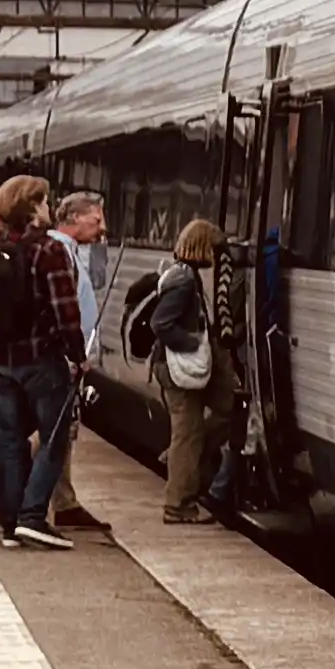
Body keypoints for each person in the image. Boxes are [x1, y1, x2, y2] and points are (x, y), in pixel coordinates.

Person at [0, 179, 83, 552]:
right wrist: (78, 357)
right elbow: (66, 311)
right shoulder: (48, 250)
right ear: (33, 207)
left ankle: (11, 523)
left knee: (11, 443)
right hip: (41, 361)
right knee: (53, 438)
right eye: (46, 201)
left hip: (1, 362)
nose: (50, 207)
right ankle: (33, 517)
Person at [136, 215, 221, 522]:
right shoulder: (184, 281)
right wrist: (192, 343)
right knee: (187, 435)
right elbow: (161, 323)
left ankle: (176, 462)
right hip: (175, 367)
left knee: (190, 432)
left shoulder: (182, 274)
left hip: (168, 366)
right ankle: (179, 505)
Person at [51, 192, 124, 532]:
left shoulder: (71, 251)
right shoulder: (59, 252)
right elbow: (64, 310)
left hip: (68, 356)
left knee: (64, 431)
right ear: (76, 218)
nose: (102, 228)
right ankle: (1, 486)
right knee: (52, 431)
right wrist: (76, 355)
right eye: (96, 221)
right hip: (63, 358)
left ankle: (64, 501)